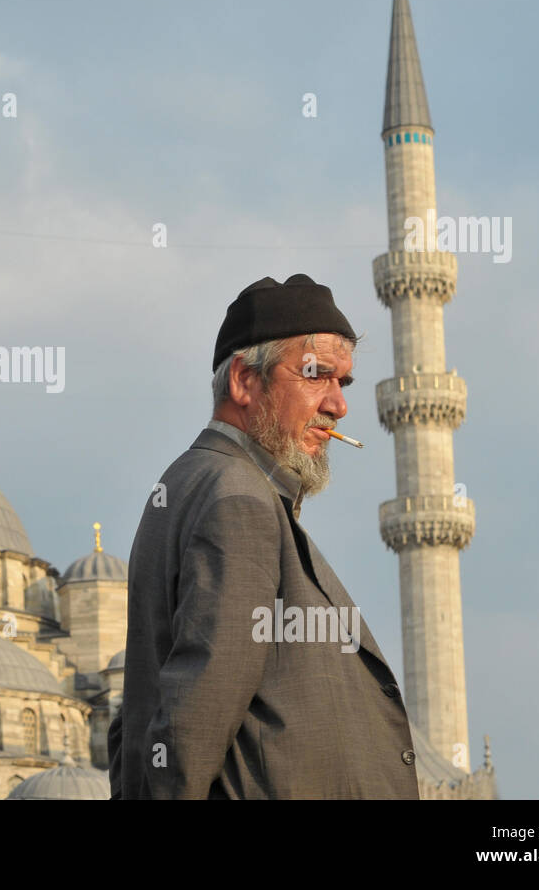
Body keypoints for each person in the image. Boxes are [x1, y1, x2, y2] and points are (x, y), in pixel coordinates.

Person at [109, 274, 419, 799]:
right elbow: (193, 716)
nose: (338, 405)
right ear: (243, 382)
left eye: (343, 383)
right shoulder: (238, 500)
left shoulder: (199, 482)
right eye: (316, 375)